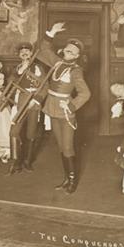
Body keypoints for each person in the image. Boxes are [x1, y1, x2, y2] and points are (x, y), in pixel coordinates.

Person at [35, 22, 91, 194]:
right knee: (61, 146)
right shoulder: (57, 63)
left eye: (72, 51)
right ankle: (67, 179)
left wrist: (71, 105)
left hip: (65, 111)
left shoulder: (76, 71)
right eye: (67, 49)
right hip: (52, 108)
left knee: (67, 147)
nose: (68, 52)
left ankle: (73, 181)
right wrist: (51, 32)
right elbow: (44, 50)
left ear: (77, 56)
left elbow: (86, 93)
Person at [6, 42, 47, 175]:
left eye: (27, 51)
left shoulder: (38, 67)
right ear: (19, 55)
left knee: (31, 133)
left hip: (34, 102)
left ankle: (27, 162)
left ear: (31, 53)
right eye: (22, 52)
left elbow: (45, 86)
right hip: (21, 102)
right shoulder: (16, 69)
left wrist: (36, 100)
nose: (24, 53)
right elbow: (10, 84)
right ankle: (15, 163)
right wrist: (20, 72)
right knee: (14, 132)